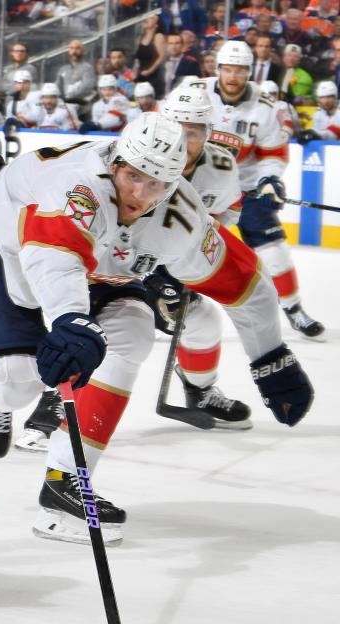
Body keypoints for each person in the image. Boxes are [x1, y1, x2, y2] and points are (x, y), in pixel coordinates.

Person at [0, 113, 313, 545]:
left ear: (175, 182)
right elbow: (54, 258)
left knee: (134, 327)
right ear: (115, 161)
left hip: (90, 263)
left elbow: (241, 280)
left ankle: (65, 483)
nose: (139, 194)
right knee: (16, 380)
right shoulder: (77, 185)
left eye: (156, 184)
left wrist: (270, 356)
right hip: (3, 241)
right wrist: (72, 320)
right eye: (132, 176)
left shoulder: (181, 215)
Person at [194, 41, 325, 339]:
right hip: (199, 188)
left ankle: (294, 309)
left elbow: (273, 155)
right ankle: (167, 301)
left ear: (248, 73)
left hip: (246, 188)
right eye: (227, 69)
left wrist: (270, 180)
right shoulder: (194, 93)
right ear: (217, 69)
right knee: (177, 246)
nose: (232, 76)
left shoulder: (264, 108)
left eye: (239, 70)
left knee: (275, 252)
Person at [144, 85, 253, 428]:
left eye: (193, 132)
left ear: (208, 134)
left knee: (204, 320)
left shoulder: (220, 166)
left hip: (174, 258)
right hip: (119, 262)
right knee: (109, 329)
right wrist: (149, 276)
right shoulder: (137, 156)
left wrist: (188, 261)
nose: (183, 140)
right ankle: (55, 402)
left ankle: (200, 390)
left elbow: (228, 209)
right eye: (176, 129)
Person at [55, 39, 96, 108]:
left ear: (82, 51)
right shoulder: (63, 69)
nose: (74, 51)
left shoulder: (88, 68)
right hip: (64, 104)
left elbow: (87, 86)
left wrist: (69, 94)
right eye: (72, 48)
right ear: (68, 51)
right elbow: (57, 85)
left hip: (81, 105)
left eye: (77, 48)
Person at [134, 14, 167, 98]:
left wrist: (150, 70)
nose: (147, 19)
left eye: (151, 18)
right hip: (141, 74)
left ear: (156, 24)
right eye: (147, 17)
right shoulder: (141, 37)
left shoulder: (158, 37)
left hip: (154, 75)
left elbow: (162, 57)